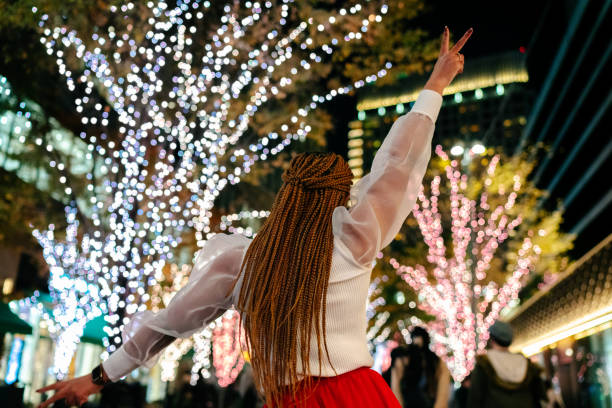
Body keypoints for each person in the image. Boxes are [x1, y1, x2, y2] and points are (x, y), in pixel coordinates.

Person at [36, 25, 473, 408]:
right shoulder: (354, 241)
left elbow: (166, 326)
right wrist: (435, 84)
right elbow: (398, 166)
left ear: (285, 196)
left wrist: (95, 380)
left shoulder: (242, 265)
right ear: (341, 200)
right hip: (358, 395)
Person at [467, 321, 547, 408]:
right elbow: (540, 395)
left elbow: (475, 399)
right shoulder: (527, 364)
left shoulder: (484, 363)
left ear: (492, 339)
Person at [390, 327, 450, 408]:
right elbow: (396, 385)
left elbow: (443, 386)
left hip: (425, 400)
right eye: (416, 337)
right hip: (413, 401)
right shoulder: (405, 357)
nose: (417, 341)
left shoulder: (434, 360)